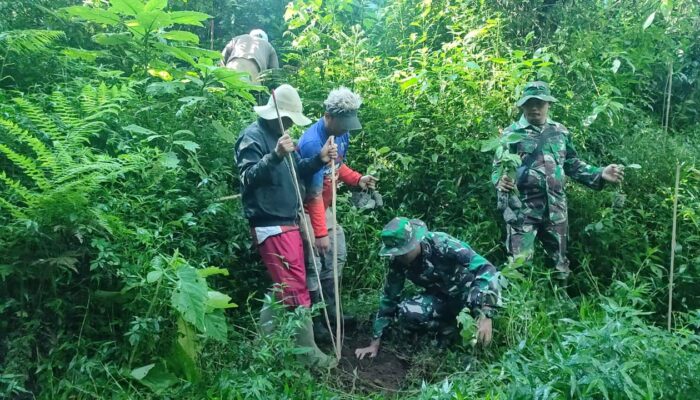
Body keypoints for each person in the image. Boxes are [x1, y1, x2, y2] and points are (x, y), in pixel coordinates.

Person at [234, 84, 338, 368]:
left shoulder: (281, 137)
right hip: (270, 222)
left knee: (286, 285)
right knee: (293, 285)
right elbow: (247, 178)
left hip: (287, 220)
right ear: (275, 114)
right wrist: (275, 154)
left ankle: (263, 345)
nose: (292, 123)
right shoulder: (252, 137)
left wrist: (318, 160)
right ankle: (308, 353)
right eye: (289, 117)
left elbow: (295, 173)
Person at [492, 81, 625, 285]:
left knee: (560, 264)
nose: (535, 107)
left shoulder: (560, 132)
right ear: (522, 106)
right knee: (518, 266)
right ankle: (520, 311)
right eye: (530, 103)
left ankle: (560, 305)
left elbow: (571, 163)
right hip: (522, 209)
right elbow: (498, 168)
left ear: (548, 105)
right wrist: (500, 181)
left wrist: (600, 173)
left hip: (556, 209)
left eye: (540, 103)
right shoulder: (511, 134)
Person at [355, 217, 501, 359]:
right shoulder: (398, 262)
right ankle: (447, 333)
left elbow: (486, 269)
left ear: (414, 242)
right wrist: (374, 342)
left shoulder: (443, 244)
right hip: (441, 299)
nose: (400, 257)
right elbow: (389, 298)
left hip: (469, 297)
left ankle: (470, 339)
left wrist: (486, 313)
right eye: (396, 253)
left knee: (477, 342)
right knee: (408, 310)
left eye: (403, 252)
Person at [296, 87, 378, 336]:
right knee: (315, 263)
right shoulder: (312, 143)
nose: (346, 129)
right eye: (342, 124)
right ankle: (316, 322)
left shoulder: (341, 135)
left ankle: (333, 312)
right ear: (328, 116)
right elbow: (312, 194)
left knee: (337, 255)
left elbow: (337, 166)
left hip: (325, 205)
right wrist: (319, 232)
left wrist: (357, 179)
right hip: (308, 209)